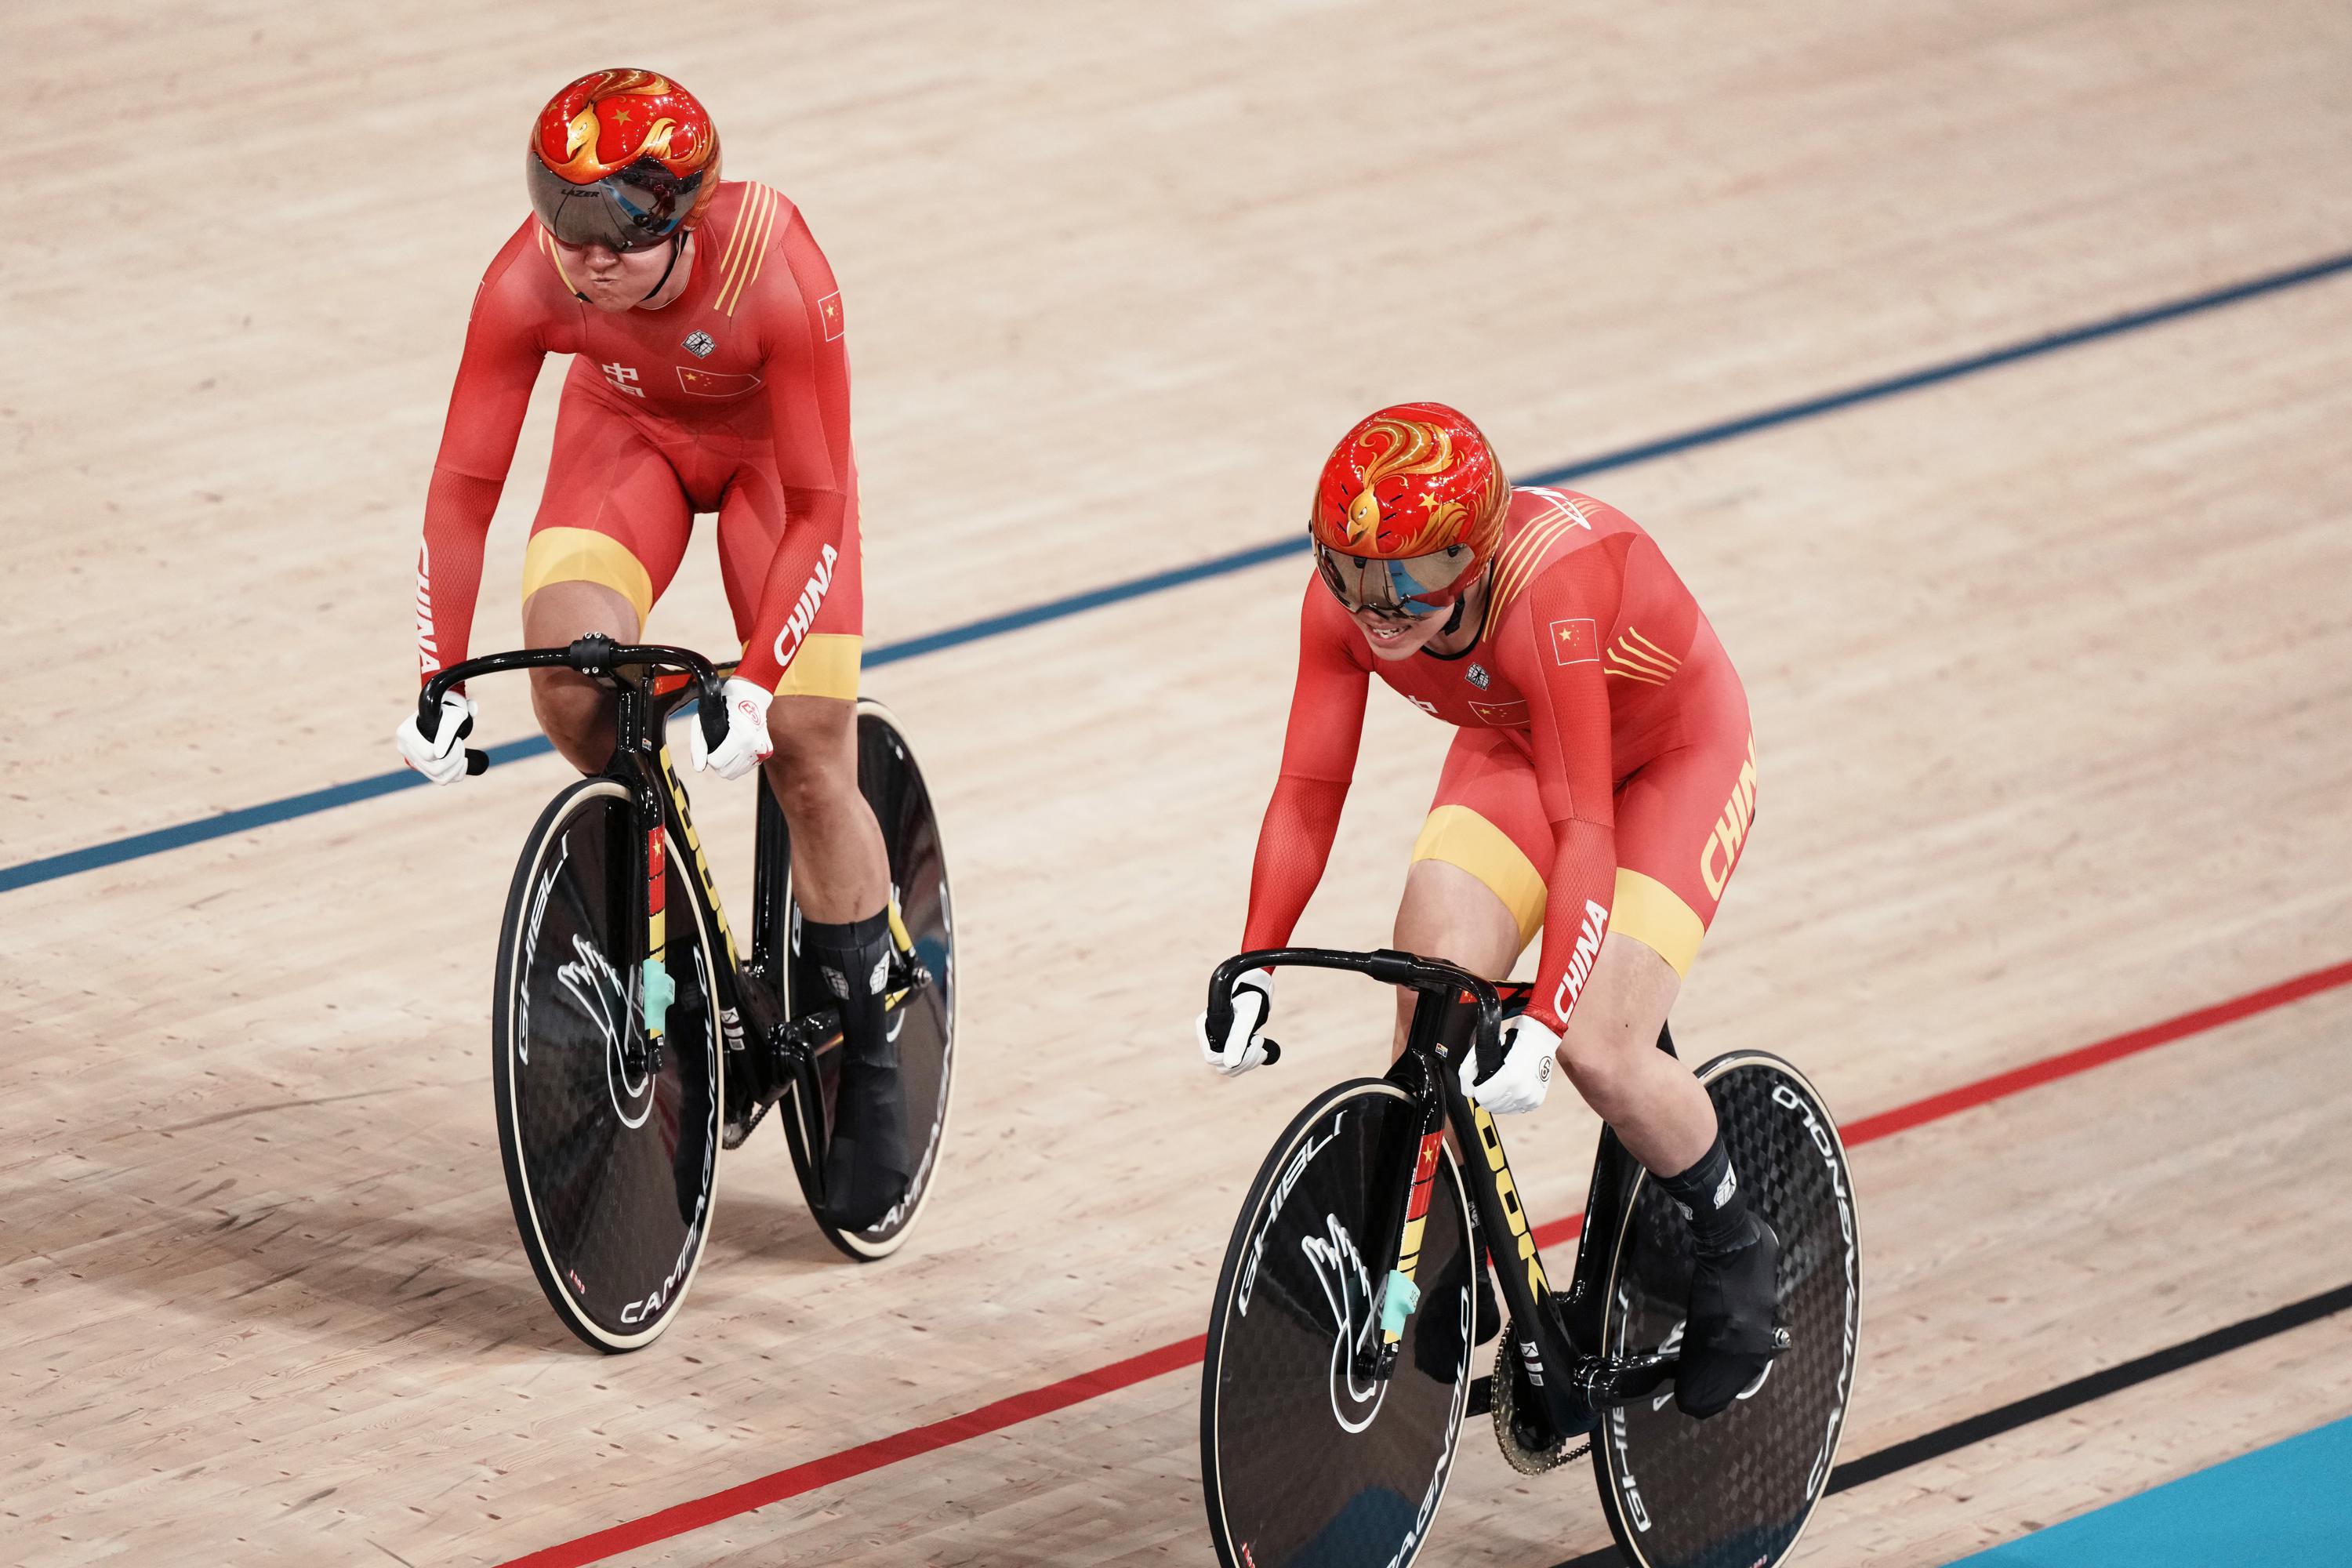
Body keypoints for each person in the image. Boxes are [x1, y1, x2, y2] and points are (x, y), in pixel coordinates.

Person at [392, 68, 906, 1229]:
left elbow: (820, 510)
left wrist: (758, 679)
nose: (585, 260)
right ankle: (674, 945)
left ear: (681, 214)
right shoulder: (529, 277)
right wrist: (436, 672)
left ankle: (869, 1052)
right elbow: (463, 489)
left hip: (779, 467)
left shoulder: (778, 270)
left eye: (616, 234)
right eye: (563, 222)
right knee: (575, 692)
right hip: (628, 441)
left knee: (810, 751)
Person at [1196, 402, 1778, 1417]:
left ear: (1475, 554)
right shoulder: (1349, 602)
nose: (1378, 608)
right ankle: (1445, 1248)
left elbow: (1587, 830)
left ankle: (1736, 1241)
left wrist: (1550, 1019)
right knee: (1433, 1002)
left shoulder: (1545, 593)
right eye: (1351, 572)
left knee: (1603, 1047)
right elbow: (1307, 790)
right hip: (1524, 746)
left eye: (1409, 579)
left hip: (1670, 759)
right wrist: (1256, 962)